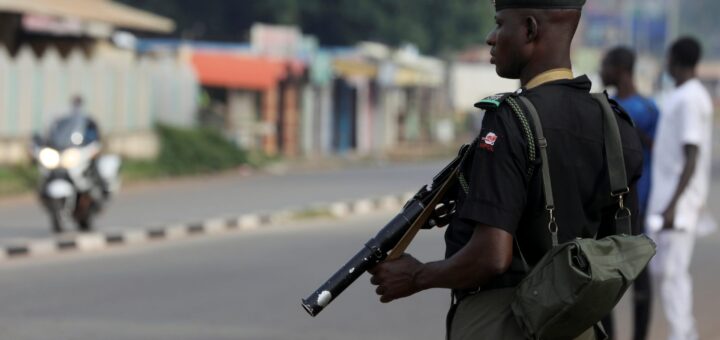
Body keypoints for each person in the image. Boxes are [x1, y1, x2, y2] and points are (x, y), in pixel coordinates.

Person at [367, 0, 643, 339]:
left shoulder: (510, 120)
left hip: (505, 323)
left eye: (499, 24)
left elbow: (492, 256)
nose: (490, 37)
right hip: (576, 325)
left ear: (529, 29)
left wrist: (417, 276)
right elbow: (623, 245)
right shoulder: (616, 126)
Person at [646, 37, 714, 340]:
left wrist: (674, 205)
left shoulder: (689, 98)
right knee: (665, 273)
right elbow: (672, 150)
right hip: (668, 201)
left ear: (675, 60)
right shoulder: (682, 95)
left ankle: (682, 336)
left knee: (673, 276)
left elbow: (691, 154)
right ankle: (684, 333)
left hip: (678, 204)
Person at [600, 46, 659, 340]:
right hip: (611, 203)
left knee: (630, 272)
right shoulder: (606, 105)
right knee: (611, 274)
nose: (600, 71)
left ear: (620, 69)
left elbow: (658, 153)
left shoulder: (646, 110)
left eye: (605, 65)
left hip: (638, 202)